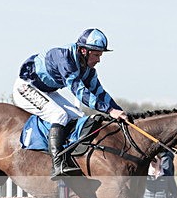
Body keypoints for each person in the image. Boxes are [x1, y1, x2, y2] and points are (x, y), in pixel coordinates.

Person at [13, 28, 127, 179]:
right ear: (83, 51)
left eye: (100, 55)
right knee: (58, 115)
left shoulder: (88, 70)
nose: (99, 60)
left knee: (80, 117)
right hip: (26, 87)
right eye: (96, 55)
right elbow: (79, 91)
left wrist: (118, 111)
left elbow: (99, 92)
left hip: (47, 91)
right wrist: (108, 110)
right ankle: (57, 164)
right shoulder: (64, 57)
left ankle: (71, 159)